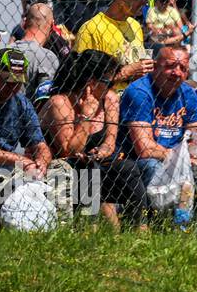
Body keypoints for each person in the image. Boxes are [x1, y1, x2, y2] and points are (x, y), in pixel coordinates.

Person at [40, 50, 147, 226]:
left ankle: (140, 227)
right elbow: (68, 150)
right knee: (88, 168)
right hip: (63, 169)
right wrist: (86, 116)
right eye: (109, 82)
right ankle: (90, 229)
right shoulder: (60, 103)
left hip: (97, 161)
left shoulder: (109, 99)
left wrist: (102, 151)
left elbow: (110, 141)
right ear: (91, 82)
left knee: (128, 169)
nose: (112, 87)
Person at [118, 46, 197, 189]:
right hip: (137, 160)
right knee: (153, 165)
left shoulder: (188, 93)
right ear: (155, 67)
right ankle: (158, 212)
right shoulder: (139, 91)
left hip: (177, 157)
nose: (176, 72)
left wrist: (192, 155)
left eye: (182, 68)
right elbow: (145, 150)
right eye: (170, 66)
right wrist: (182, 158)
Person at [74, 0, 160, 89]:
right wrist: (127, 72)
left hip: (135, 99)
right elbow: (81, 79)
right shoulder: (91, 29)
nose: (145, 2)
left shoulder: (134, 25)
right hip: (106, 103)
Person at [0, 49, 52, 179]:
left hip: (8, 169)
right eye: (8, 81)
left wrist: (41, 161)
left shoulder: (21, 102)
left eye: (17, 82)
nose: (12, 87)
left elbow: (40, 144)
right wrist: (21, 161)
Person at [12, 2, 60, 95]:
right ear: (51, 25)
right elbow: (44, 101)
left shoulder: (5, 51)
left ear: (24, 23)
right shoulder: (47, 57)